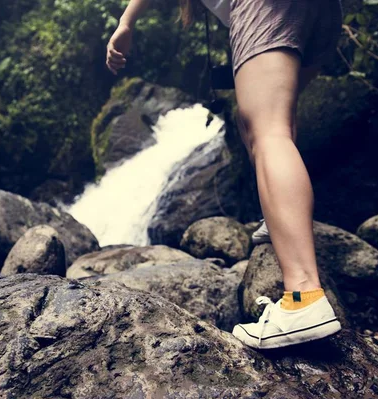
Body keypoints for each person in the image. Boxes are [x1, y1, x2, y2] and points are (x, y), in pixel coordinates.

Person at [106, 0, 343, 350]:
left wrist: (126, 22)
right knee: (271, 125)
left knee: (269, 131)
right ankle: (279, 219)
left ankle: (304, 296)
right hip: (320, 13)